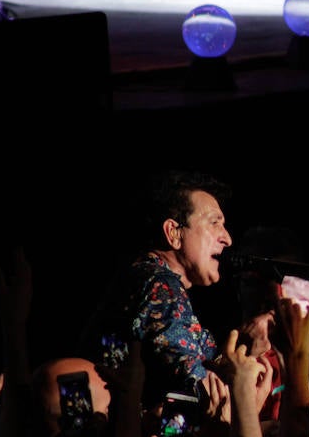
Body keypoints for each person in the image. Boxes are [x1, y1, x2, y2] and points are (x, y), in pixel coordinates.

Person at [78, 169, 233, 410]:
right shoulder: (160, 286)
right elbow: (198, 389)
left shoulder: (146, 276)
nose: (227, 238)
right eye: (215, 223)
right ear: (174, 233)